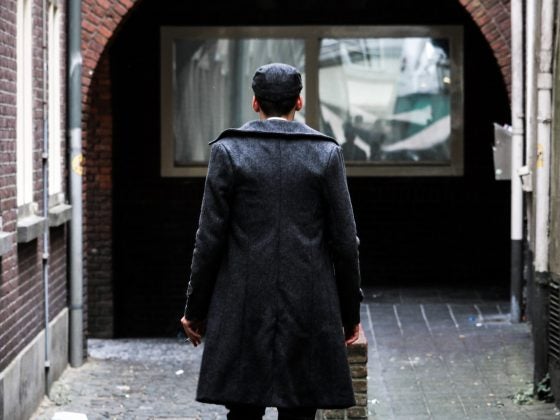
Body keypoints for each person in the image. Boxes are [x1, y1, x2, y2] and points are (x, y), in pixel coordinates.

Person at [180, 63, 362, 420]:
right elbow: (345, 242)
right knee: (301, 412)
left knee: (243, 412)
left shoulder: (228, 151)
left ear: (254, 103)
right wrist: (349, 314)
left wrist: (195, 310)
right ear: (299, 101)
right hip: (308, 306)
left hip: (242, 306)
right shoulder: (325, 153)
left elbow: (209, 239)